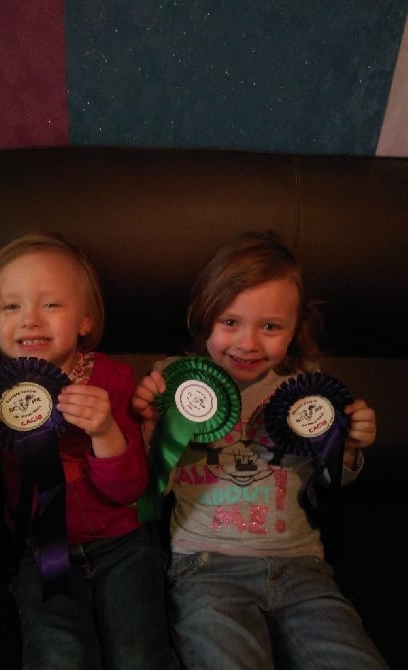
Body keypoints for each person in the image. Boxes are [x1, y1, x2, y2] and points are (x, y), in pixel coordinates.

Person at [0, 231, 180, 670]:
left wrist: (104, 431)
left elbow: (129, 489)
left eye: (51, 305)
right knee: (60, 654)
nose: (30, 320)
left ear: (85, 320)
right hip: (37, 547)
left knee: (139, 652)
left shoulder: (112, 379)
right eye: (11, 306)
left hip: (124, 543)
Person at [132, 230, 388, 669]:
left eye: (270, 326)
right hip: (206, 567)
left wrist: (345, 450)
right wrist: (152, 428)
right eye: (230, 322)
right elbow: (154, 487)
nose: (248, 343)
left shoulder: (306, 391)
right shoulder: (176, 381)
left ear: (294, 329)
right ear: (203, 315)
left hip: (302, 567)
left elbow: (328, 482)